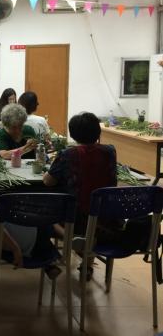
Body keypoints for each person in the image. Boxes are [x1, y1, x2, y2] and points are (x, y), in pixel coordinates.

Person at [43, 112, 118, 280]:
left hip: (74, 219)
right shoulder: (110, 152)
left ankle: (71, 242)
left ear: (73, 134)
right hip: (106, 219)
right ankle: (87, 262)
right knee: (92, 208)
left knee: (46, 217)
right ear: (98, 133)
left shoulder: (68, 154)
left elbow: (48, 181)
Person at [0, 201, 62, 279]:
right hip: (35, 237)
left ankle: (50, 264)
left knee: (45, 227)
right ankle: (65, 239)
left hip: (31, 250)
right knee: (46, 222)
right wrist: (15, 248)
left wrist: (15, 249)